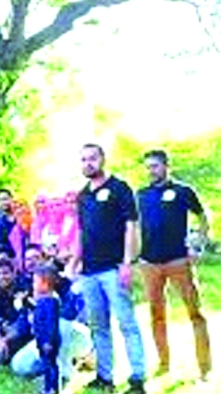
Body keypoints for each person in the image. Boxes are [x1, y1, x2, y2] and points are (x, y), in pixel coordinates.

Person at [73, 143, 146, 394]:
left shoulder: (120, 188)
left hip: (114, 269)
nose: (88, 163)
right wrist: (74, 262)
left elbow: (131, 226)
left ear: (102, 159)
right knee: (98, 326)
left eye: (92, 158)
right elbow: (81, 232)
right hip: (89, 272)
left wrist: (127, 262)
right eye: (83, 160)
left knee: (127, 323)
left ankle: (138, 378)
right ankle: (105, 377)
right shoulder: (82, 195)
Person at [137, 149, 212, 380]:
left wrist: (198, 245)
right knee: (156, 315)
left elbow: (203, 217)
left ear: (167, 166)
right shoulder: (141, 194)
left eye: (155, 166)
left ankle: (204, 369)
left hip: (179, 260)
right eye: (148, 167)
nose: (151, 171)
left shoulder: (183, 191)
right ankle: (164, 364)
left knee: (195, 313)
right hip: (149, 263)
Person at [32, 265, 61, 394]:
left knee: (50, 363)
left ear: (45, 284)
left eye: (35, 282)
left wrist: (49, 340)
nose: (33, 285)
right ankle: (46, 385)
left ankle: (53, 387)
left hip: (47, 340)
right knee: (45, 363)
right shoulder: (41, 301)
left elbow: (51, 323)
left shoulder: (50, 302)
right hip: (41, 338)